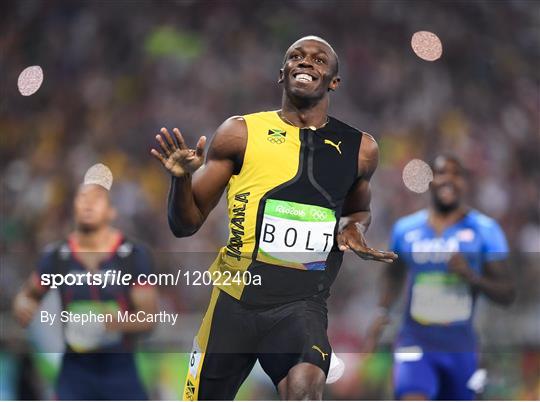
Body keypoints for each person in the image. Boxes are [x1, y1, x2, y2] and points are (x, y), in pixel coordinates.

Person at [151, 35, 397, 400]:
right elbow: (184, 225)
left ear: (334, 81)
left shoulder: (361, 149)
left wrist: (354, 229)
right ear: (281, 74)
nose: (305, 62)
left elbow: (358, 210)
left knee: (305, 385)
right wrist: (181, 179)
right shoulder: (239, 134)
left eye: (318, 59)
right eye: (295, 56)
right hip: (233, 302)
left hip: (301, 306)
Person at [364, 154, 516, 400]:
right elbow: (393, 276)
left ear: (465, 183)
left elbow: (507, 293)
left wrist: (471, 276)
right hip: (415, 340)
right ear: (430, 181)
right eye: (441, 173)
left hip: (461, 347)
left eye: (456, 174)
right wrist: (381, 314)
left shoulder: (485, 231)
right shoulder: (406, 229)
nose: (449, 180)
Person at [13, 180, 158, 400]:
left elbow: (149, 319)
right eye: (82, 198)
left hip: (120, 371)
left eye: (97, 199)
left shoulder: (132, 256)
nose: (88, 204)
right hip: (75, 373)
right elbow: (28, 295)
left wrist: (111, 323)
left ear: (111, 212)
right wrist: (22, 303)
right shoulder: (56, 256)